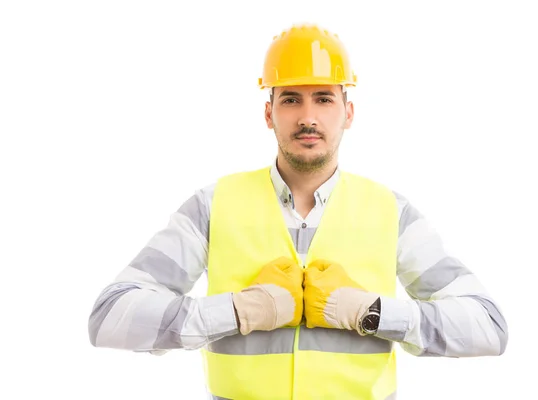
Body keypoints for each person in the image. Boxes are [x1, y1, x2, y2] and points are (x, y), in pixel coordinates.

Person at [88, 23, 508, 400]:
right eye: (291, 99)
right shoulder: (213, 206)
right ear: (269, 113)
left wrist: (372, 312)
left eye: (324, 99)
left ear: (349, 113)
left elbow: (487, 326)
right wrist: (238, 311)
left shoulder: (389, 212)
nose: (308, 117)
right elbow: (109, 317)